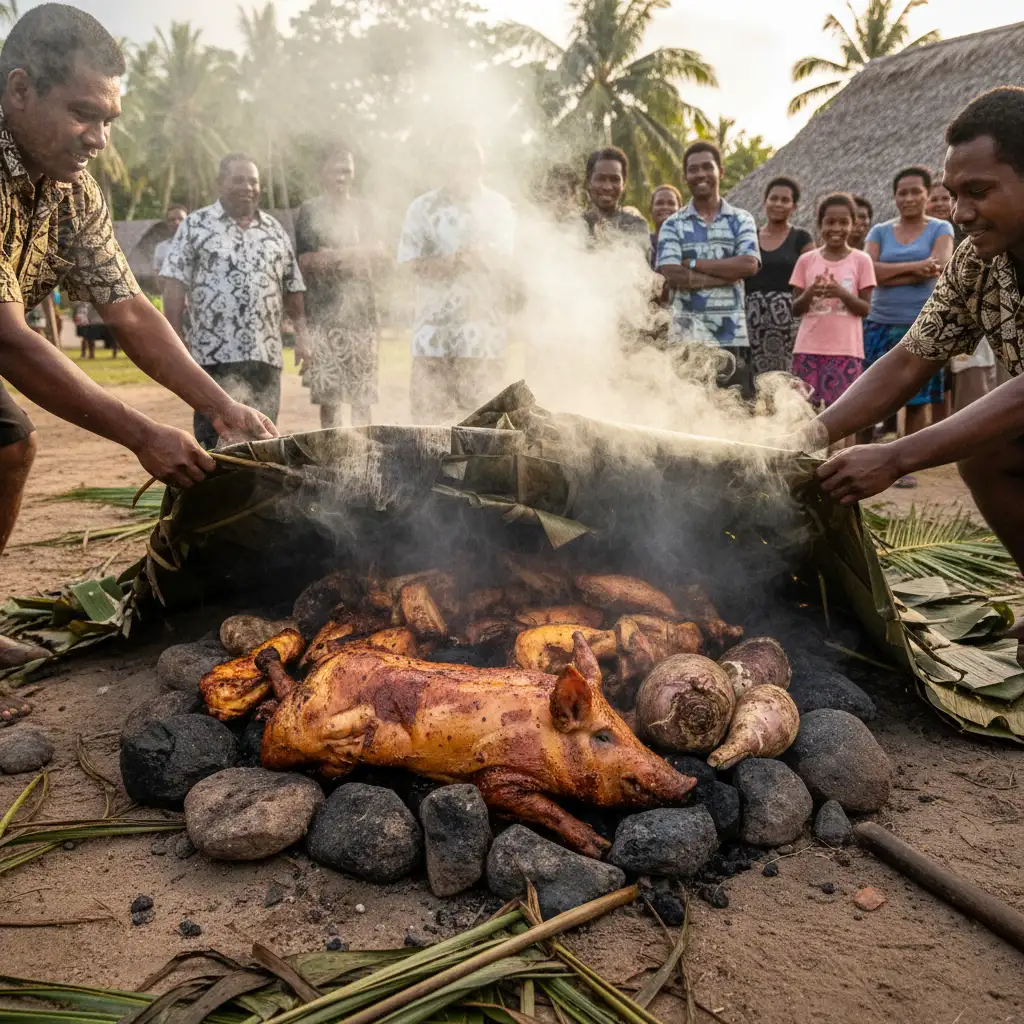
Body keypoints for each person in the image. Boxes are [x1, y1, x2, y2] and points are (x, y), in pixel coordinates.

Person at [0, 5, 275, 677]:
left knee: (8, 447)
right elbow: (5, 339)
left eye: (108, 122)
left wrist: (221, 406)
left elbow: (129, 311)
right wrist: (143, 434)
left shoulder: (72, 191)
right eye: (83, 114)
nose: (98, 138)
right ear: (19, 89)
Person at [800, 88, 1024, 651]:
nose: (962, 212)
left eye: (980, 191)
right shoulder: (975, 258)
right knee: (987, 456)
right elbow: (907, 359)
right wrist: (805, 436)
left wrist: (896, 455)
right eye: (953, 195)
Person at [162, 153, 307, 449]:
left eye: (253, 181)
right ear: (220, 184)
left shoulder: (273, 230)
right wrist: (174, 337)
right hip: (212, 357)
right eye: (238, 180)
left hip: (265, 356)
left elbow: (293, 286)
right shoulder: (195, 225)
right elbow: (174, 283)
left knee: (264, 440)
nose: (247, 187)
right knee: (214, 443)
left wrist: (303, 335)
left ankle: (258, 495)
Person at [396, 130, 516, 424]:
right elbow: (407, 266)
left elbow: (507, 264)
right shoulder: (421, 208)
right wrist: (452, 261)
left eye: (471, 159)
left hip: (485, 343)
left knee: (484, 439)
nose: (463, 166)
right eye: (455, 158)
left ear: (482, 165)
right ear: (444, 164)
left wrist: (477, 258)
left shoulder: (499, 207)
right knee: (428, 432)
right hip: (432, 343)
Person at [859, 165, 954, 463]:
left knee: (917, 398)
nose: (909, 197)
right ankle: (858, 452)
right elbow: (868, 270)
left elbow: (939, 265)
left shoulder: (941, 228)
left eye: (916, 191)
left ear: (927, 194)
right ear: (894, 196)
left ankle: (903, 463)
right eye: (902, 192)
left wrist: (889, 273)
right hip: (879, 322)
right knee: (868, 393)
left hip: (923, 324)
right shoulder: (879, 231)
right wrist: (915, 268)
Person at [656, 141, 760, 397]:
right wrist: (726, 276)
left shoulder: (741, 219)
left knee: (734, 415)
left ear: (720, 171)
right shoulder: (673, 224)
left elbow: (748, 265)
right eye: (693, 169)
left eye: (707, 167)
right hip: (686, 340)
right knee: (687, 415)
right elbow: (672, 274)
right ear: (685, 176)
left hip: (731, 337)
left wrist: (693, 263)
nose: (700, 174)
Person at [294, 144, 381, 428]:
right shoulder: (309, 211)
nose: (341, 176)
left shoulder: (365, 211)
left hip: (362, 318)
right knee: (328, 398)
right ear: (322, 173)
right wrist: (352, 255)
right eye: (335, 170)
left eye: (347, 170)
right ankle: (331, 456)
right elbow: (305, 261)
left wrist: (332, 256)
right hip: (322, 317)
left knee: (362, 397)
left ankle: (364, 455)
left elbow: (378, 253)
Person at [789, 193, 876, 413]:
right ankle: (807, 449)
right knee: (803, 411)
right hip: (808, 348)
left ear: (853, 224)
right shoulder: (806, 261)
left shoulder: (861, 260)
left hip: (846, 350)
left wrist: (841, 293)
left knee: (841, 412)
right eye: (830, 222)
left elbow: (865, 309)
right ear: (820, 224)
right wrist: (811, 292)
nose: (836, 228)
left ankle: (840, 450)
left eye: (843, 222)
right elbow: (795, 308)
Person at [745, 176, 813, 376]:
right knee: (755, 382)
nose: (778, 204)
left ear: (794, 207)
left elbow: (812, 277)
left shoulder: (802, 238)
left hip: (789, 322)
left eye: (785, 200)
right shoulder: (750, 237)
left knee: (788, 379)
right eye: (773, 198)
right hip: (753, 320)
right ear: (765, 202)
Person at [581, 147, 651, 259]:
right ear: (588, 182)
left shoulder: (636, 225)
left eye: (615, 180)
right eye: (600, 179)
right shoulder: (576, 224)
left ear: (623, 185)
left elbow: (638, 266)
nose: (607, 187)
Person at [649, 184, 682, 270]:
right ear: (651, 210)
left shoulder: (689, 243)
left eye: (671, 203)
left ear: (681, 210)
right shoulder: (643, 244)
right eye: (659, 203)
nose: (665, 207)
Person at [152, 203, 187, 277]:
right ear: (167, 224)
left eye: (180, 219)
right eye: (172, 220)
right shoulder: (161, 248)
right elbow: (158, 276)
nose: (176, 222)